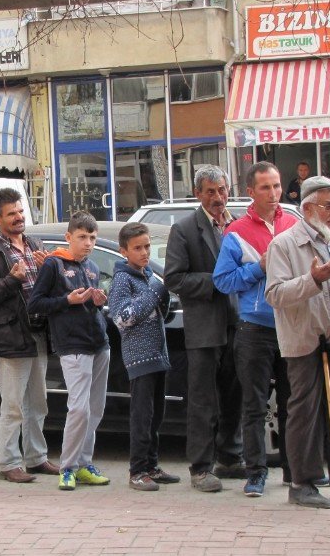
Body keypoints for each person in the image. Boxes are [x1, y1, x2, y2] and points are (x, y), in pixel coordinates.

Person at [264, 176, 330, 510]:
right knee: (304, 413)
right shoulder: (284, 244)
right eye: (328, 206)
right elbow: (275, 294)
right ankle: (303, 482)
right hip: (304, 339)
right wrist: (312, 280)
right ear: (307, 208)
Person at [213, 161, 298, 497]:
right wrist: (258, 269)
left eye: (277, 186)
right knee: (255, 404)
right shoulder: (236, 233)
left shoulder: (294, 225)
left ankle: (296, 471)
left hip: (292, 326)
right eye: (265, 187)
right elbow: (222, 281)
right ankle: (256, 473)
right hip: (254, 328)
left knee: (293, 403)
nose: (274, 193)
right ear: (251, 191)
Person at [164, 166, 242, 493]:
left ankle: (231, 457)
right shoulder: (184, 229)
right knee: (203, 400)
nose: (218, 198)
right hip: (203, 328)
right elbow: (174, 279)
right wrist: (217, 282)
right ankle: (200, 467)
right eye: (210, 192)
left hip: (239, 324)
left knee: (235, 395)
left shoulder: (238, 225)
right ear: (198, 194)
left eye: (222, 190)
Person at [0, 188, 57, 483]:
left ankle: (36, 458)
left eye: (20, 212)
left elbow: (46, 288)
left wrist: (50, 270)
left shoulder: (35, 243)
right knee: (13, 405)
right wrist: (12, 279)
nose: (19, 217)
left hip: (38, 333)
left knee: (39, 402)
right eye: (11, 214)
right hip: (10, 336)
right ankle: (9, 463)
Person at [28, 211, 111, 491]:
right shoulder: (53, 264)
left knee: (95, 408)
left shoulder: (92, 267)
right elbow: (35, 303)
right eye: (82, 237)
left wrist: (98, 301)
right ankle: (67, 467)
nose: (88, 243)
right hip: (72, 345)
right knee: (78, 408)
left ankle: (85, 463)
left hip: (99, 342)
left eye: (92, 238)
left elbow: (91, 302)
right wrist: (66, 300)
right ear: (69, 237)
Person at [109, 222, 177, 491]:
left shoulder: (147, 274)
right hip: (139, 358)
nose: (144, 252)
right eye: (137, 248)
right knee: (141, 416)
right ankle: (137, 471)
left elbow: (162, 312)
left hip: (157, 354)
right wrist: (154, 293)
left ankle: (151, 465)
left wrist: (164, 296)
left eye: (147, 246)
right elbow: (122, 317)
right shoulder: (123, 279)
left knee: (155, 415)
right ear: (123, 251)